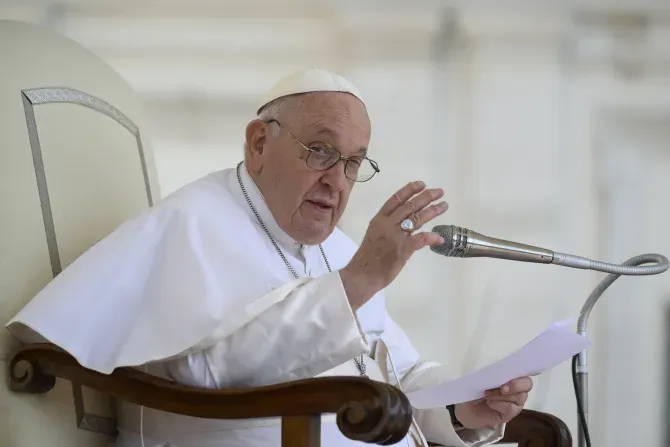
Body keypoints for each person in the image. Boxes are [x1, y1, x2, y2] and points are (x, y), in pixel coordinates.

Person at [6, 68, 533, 447]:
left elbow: (399, 372)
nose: (336, 181)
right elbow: (205, 371)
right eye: (321, 151)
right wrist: (355, 284)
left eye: (352, 163)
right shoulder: (191, 223)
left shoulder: (340, 249)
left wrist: (464, 407)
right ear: (258, 143)